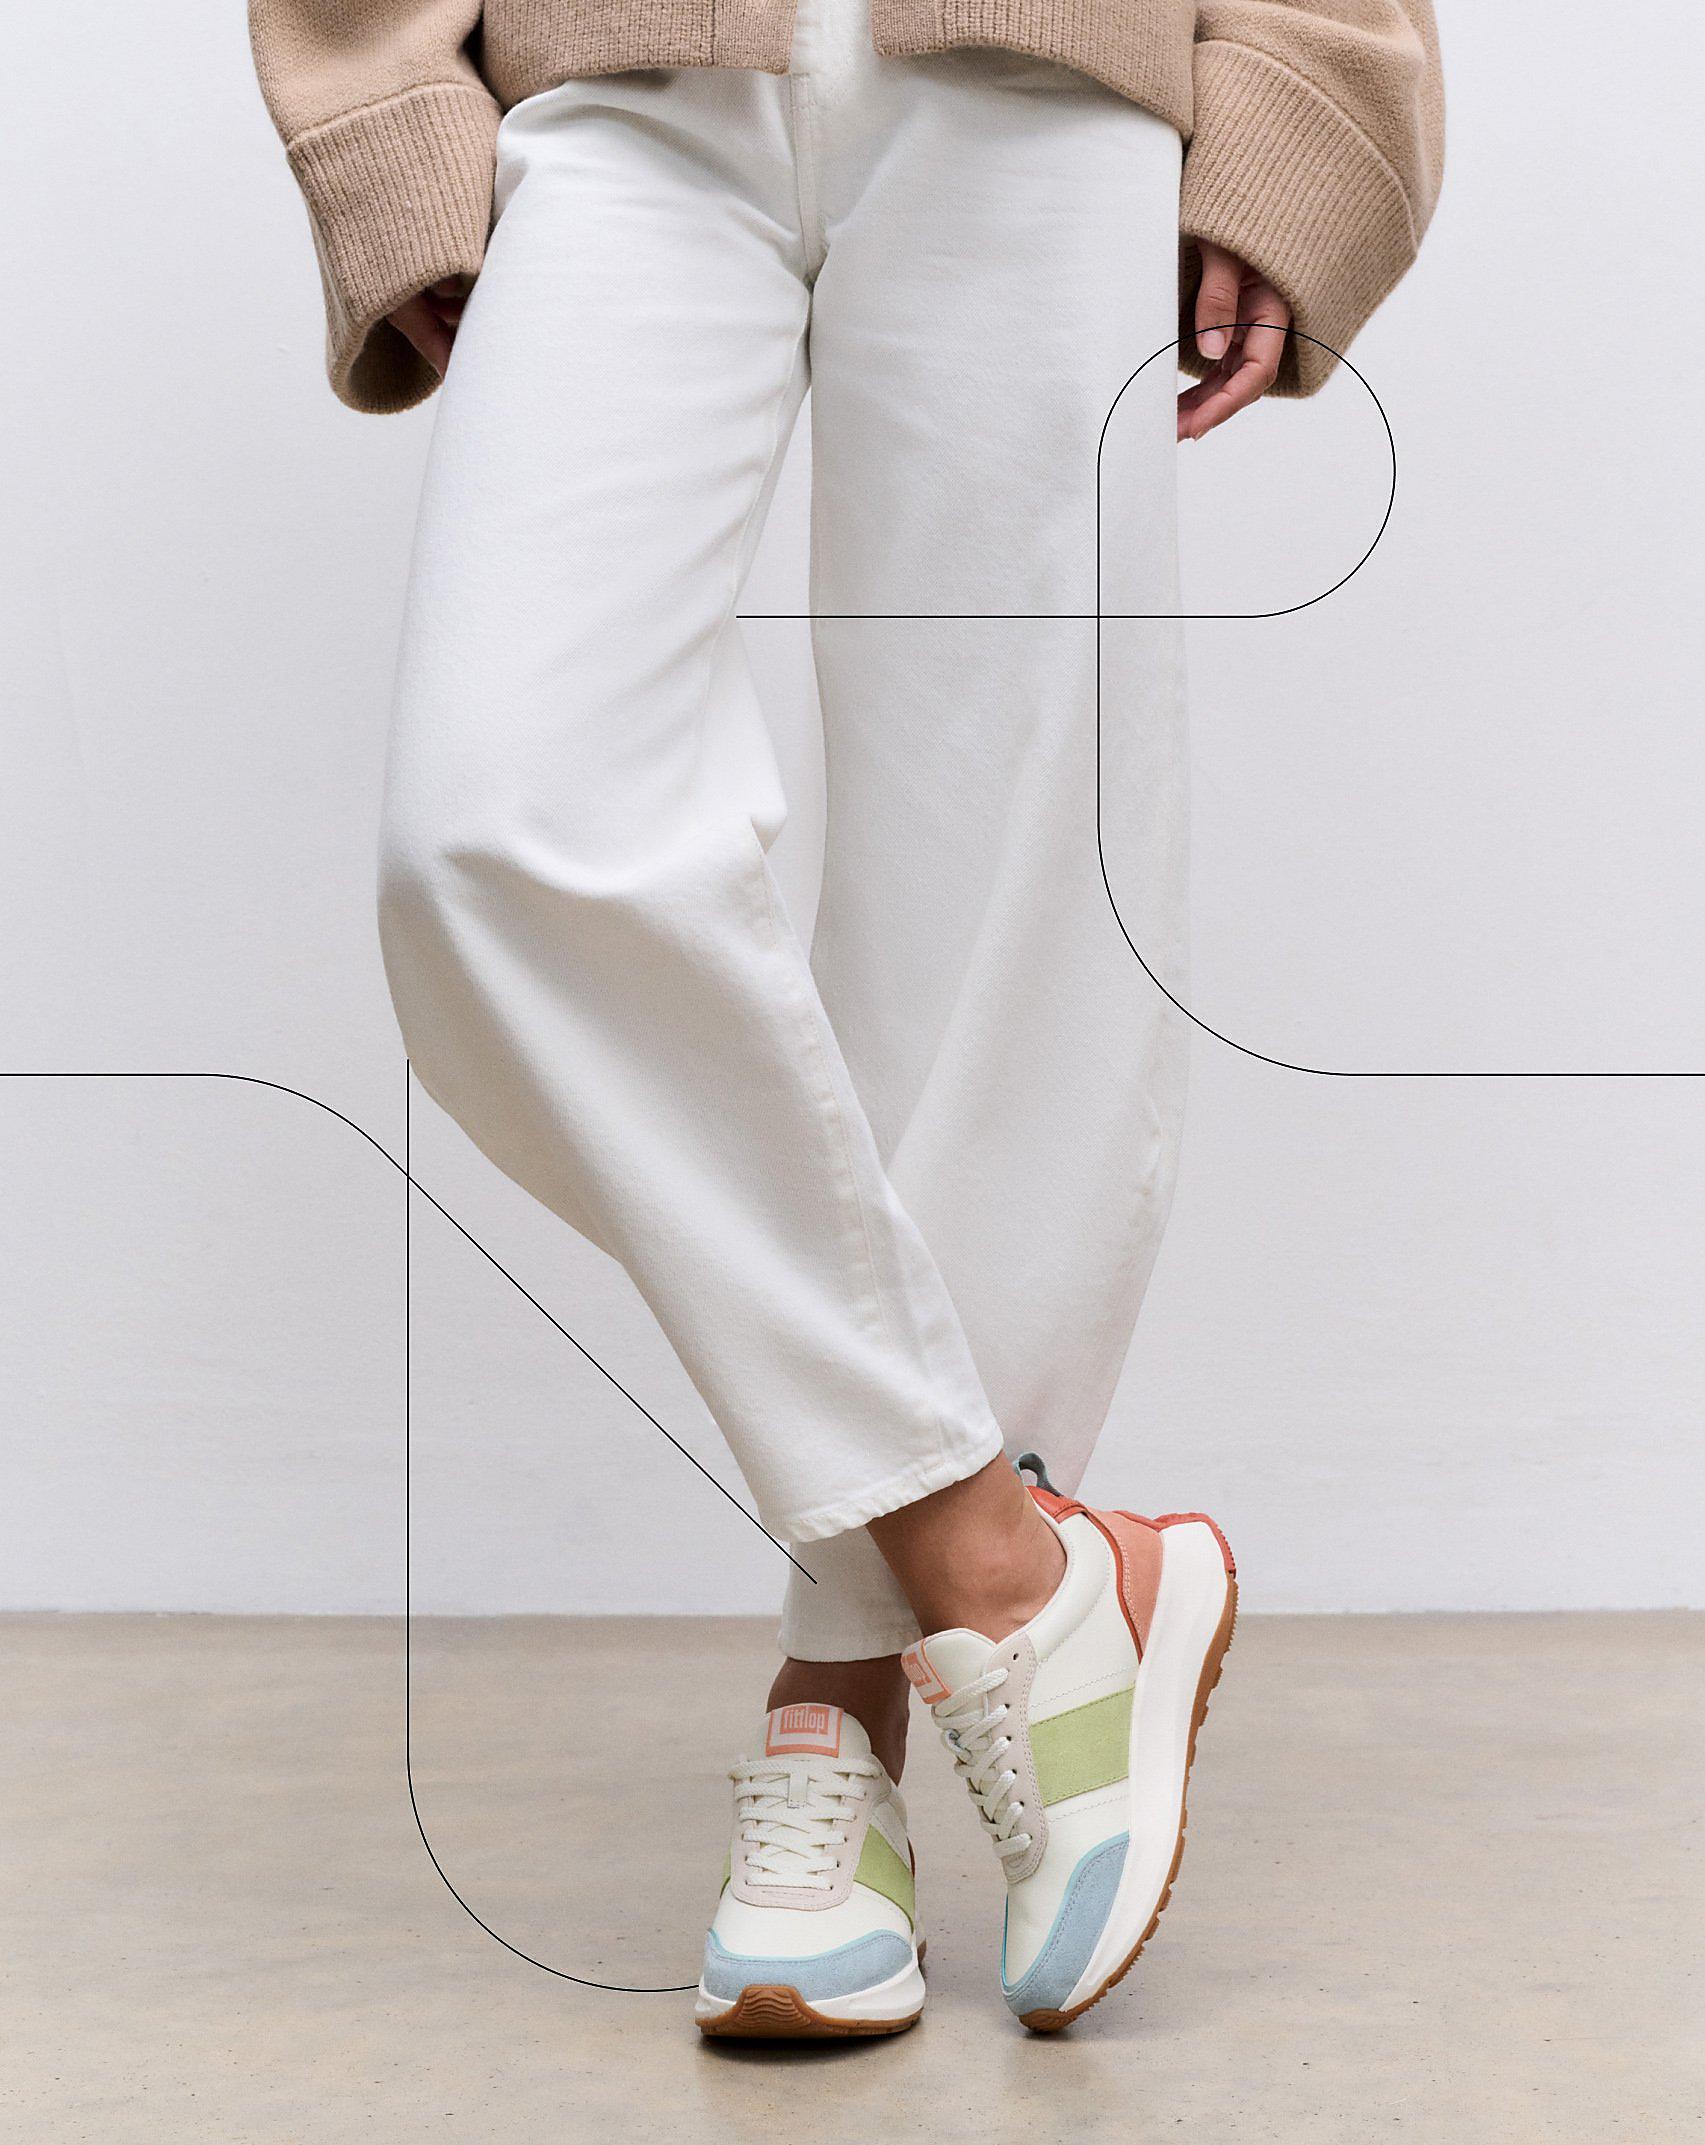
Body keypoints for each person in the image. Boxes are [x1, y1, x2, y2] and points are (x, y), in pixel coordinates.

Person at [250, 0, 1442, 2039]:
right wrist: (383, 103)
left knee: (999, 902)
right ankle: (1007, 1569)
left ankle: (845, 1707)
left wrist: (1306, 84)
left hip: (1045, 77)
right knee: (492, 831)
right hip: (619, 81)